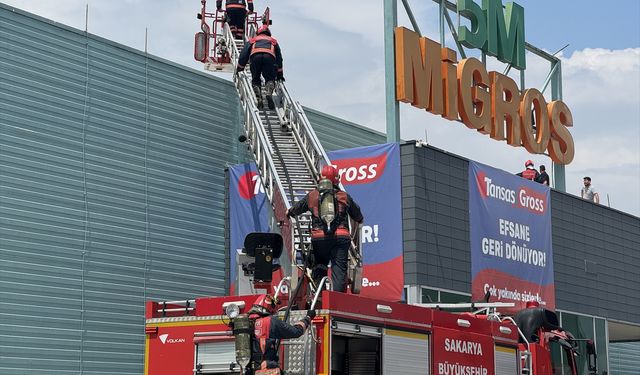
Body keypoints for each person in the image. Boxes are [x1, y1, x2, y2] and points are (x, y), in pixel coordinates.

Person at [286, 165, 364, 293]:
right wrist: (360, 221)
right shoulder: (343, 196)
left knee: (319, 266)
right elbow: (358, 215)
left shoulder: (312, 196)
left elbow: (296, 209)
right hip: (340, 238)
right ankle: (338, 301)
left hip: (319, 238)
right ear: (336, 179)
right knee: (339, 271)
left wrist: (289, 212)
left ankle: (320, 295)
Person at [247, 294, 315, 374]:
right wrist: (308, 318)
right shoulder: (271, 321)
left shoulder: (246, 323)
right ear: (269, 306)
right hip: (267, 369)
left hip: (250, 370)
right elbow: (296, 331)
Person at [237, 25, 284, 110]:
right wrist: (280, 74)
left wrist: (240, 68)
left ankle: (258, 96)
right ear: (268, 33)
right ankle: (269, 92)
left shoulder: (252, 40)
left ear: (258, 33)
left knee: (256, 78)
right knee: (270, 78)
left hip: (255, 57)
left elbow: (243, 55)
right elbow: (279, 59)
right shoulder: (273, 41)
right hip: (269, 58)